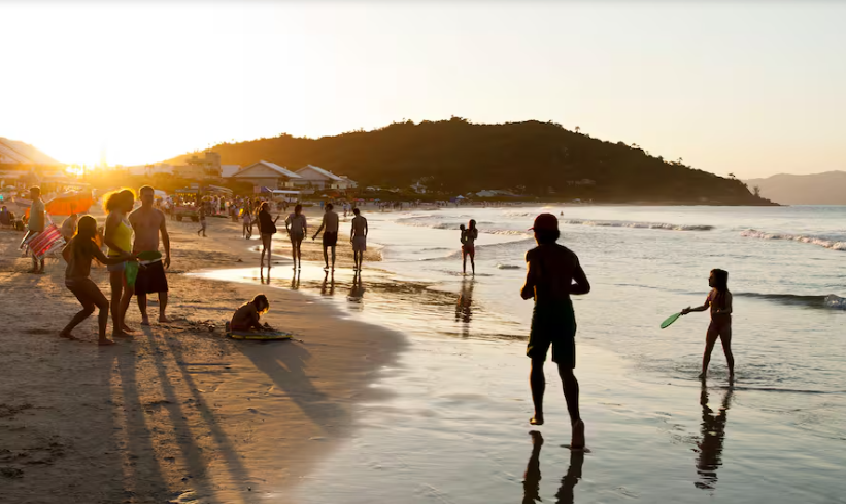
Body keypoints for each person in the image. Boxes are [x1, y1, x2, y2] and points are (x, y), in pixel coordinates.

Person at [520, 213, 590, 449]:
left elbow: (529, 284)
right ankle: (576, 422)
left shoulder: (535, 254)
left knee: (537, 362)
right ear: (556, 233)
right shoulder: (569, 255)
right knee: (566, 371)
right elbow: (584, 287)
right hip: (565, 313)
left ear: (537, 234)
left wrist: (527, 289)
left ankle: (538, 412)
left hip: (544, 313)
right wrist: (562, 287)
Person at [61, 215, 133, 345]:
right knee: (104, 304)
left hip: (70, 280)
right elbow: (105, 260)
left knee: (89, 308)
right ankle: (102, 339)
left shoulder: (75, 240)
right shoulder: (90, 244)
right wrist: (126, 258)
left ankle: (66, 331)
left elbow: (63, 252)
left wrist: (71, 265)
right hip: (81, 280)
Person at [680, 269, 735, 380]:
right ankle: (704, 372)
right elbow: (705, 307)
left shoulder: (727, 294)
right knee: (708, 349)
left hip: (725, 325)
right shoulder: (711, 293)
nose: (709, 279)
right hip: (713, 325)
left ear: (718, 280)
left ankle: (732, 374)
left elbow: (730, 309)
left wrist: (720, 311)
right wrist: (690, 311)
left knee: (727, 350)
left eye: (711, 277)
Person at [129, 185, 171, 326]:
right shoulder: (133, 215)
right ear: (140, 197)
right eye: (146, 196)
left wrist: (168, 254)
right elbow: (127, 236)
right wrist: (129, 256)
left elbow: (164, 234)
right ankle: (144, 316)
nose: (149, 198)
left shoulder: (159, 214)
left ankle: (162, 314)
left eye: (151, 196)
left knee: (162, 288)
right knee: (141, 290)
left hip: (155, 256)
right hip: (139, 256)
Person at [103, 190, 136, 338]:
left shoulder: (124, 216)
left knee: (130, 290)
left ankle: (120, 323)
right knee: (116, 295)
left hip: (127, 258)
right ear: (123, 201)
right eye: (131, 201)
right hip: (116, 258)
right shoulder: (114, 216)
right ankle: (116, 329)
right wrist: (122, 252)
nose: (133, 204)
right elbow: (107, 240)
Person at [312, 203, 339, 271]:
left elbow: (322, 226)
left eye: (326, 207)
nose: (325, 208)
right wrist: (336, 234)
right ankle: (333, 266)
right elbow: (337, 226)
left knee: (325, 250)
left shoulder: (326, 215)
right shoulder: (336, 215)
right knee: (333, 251)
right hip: (334, 234)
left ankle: (327, 265)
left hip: (327, 233)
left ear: (329, 208)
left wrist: (315, 234)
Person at [26, 186, 46, 273]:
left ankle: (41, 268)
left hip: (38, 230)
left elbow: (42, 218)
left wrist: (41, 230)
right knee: (33, 248)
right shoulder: (33, 203)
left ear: (37, 194)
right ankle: (35, 267)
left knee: (40, 249)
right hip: (32, 229)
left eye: (32, 193)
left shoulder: (40, 204)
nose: (30, 195)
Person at [257, 202, 279, 270]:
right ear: (266, 207)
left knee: (264, 247)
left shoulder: (260, 214)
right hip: (268, 232)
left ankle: (262, 262)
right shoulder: (268, 216)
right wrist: (276, 219)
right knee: (268, 248)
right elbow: (271, 224)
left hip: (263, 232)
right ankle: (269, 264)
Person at [284, 204, 306, 270]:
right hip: (300, 233)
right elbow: (304, 226)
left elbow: (286, 222)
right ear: (300, 209)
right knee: (298, 248)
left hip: (293, 233)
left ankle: (295, 264)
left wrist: (287, 229)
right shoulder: (302, 217)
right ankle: (299, 264)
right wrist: (306, 234)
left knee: (294, 248)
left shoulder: (292, 216)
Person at [350, 207, 368, 271]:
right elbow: (366, 229)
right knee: (361, 253)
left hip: (356, 236)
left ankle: (357, 265)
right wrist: (365, 236)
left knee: (356, 252)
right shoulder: (364, 219)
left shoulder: (354, 220)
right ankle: (360, 266)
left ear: (354, 212)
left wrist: (350, 237)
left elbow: (352, 229)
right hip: (362, 236)